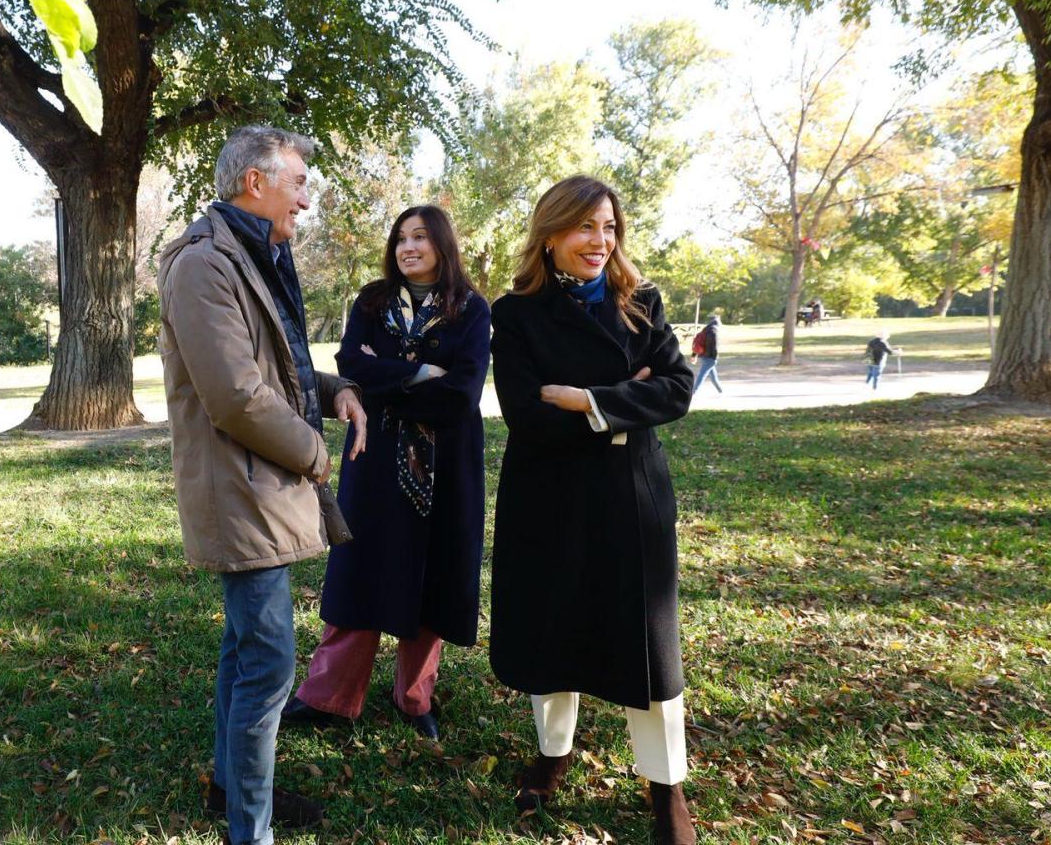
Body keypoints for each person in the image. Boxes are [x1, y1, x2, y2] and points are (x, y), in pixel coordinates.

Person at [157, 125, 368, 845]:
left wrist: (332, 387)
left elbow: (276, 362)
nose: (306, 199)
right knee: (270, 660)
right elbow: (236, 396)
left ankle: (228, 787)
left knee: (246, 647)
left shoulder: (256, 252)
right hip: (240, 486)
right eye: (299, 183)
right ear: (256, 182)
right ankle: (251, 829)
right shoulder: (202, 264)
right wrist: (315, 452)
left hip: (260, 484)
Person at [488, 175, 698, 845]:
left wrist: (587, 401)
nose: (600, 241)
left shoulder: (642, 303)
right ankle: (554, 753)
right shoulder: (514, 314)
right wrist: (623, 402)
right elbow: (525, 413)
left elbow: (677, 390)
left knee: (649, 652)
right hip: (545, 499)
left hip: (629, 500)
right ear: (551, 234)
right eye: (585, 227)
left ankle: (666, 787)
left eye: (609, 228)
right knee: (553, 631)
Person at [280, 205, 490, 742]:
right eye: (400, 238)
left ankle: (414, 694)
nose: (408, 247)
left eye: (420, 237)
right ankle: (329, 696)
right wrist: (421, 371)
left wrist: (387, 378)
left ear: (442, 243)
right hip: (373, 458)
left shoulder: (471, 309)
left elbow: (461, 395)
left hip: (447, 465)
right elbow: (353, 367)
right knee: (360, 569)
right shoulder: (373, 301)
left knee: (432, 573)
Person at [690, 315, 723, 395]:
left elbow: (698, 342)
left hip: (703, 355)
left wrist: (694, 355)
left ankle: (720, 390)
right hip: (710, 357)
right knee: (702, 375)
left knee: (713, 376)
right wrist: (715, 357)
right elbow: (715, 346)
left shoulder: (706, 329)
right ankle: (693, 392)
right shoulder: (714, 330)